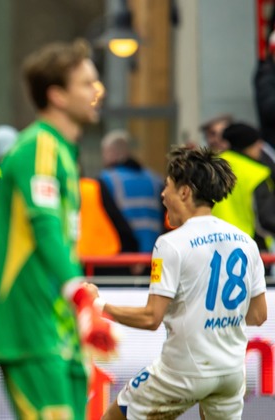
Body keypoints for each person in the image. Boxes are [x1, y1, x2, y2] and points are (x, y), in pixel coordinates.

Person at [0, 39, 117, 419]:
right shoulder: (38, 147)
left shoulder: (61, 151)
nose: (98, 91)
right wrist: (81, 296)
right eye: (86, 83)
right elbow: (44, 230)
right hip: (30, 326)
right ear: (58, 96)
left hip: (58, 322)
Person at [96, 147, 268, 419]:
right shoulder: (246, 242)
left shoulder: (171, 244)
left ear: (185, 192)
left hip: (183, 372)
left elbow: (151, 318)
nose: (163, 195)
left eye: (168, 187)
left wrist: (98, 306)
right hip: (231, 373)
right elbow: (258, 315)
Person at [99, 130, 165, 254]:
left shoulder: (106, 179)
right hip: (154, 253)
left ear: (113, 152)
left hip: (124, 256)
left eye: (104, 152)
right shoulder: (156, 180)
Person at [211, 122, 275, 250]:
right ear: (247, 145)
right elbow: (266, 218)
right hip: (249, 247)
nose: (261, 146)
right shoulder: (256, 173)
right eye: (257, 143)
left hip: (211, 243)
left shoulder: (212, 167)